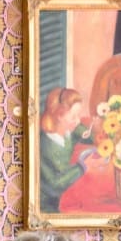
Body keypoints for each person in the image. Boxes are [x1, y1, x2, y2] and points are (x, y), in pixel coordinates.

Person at [36, 87, 93, 215]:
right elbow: (54, 186)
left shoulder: (67, 131)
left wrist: (86, 132)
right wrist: (82, 167)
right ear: (59, 116)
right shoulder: (44, 146)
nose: (78, 120)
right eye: (74, 116)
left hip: (64, 191)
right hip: (47, 206)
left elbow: (83, 133)